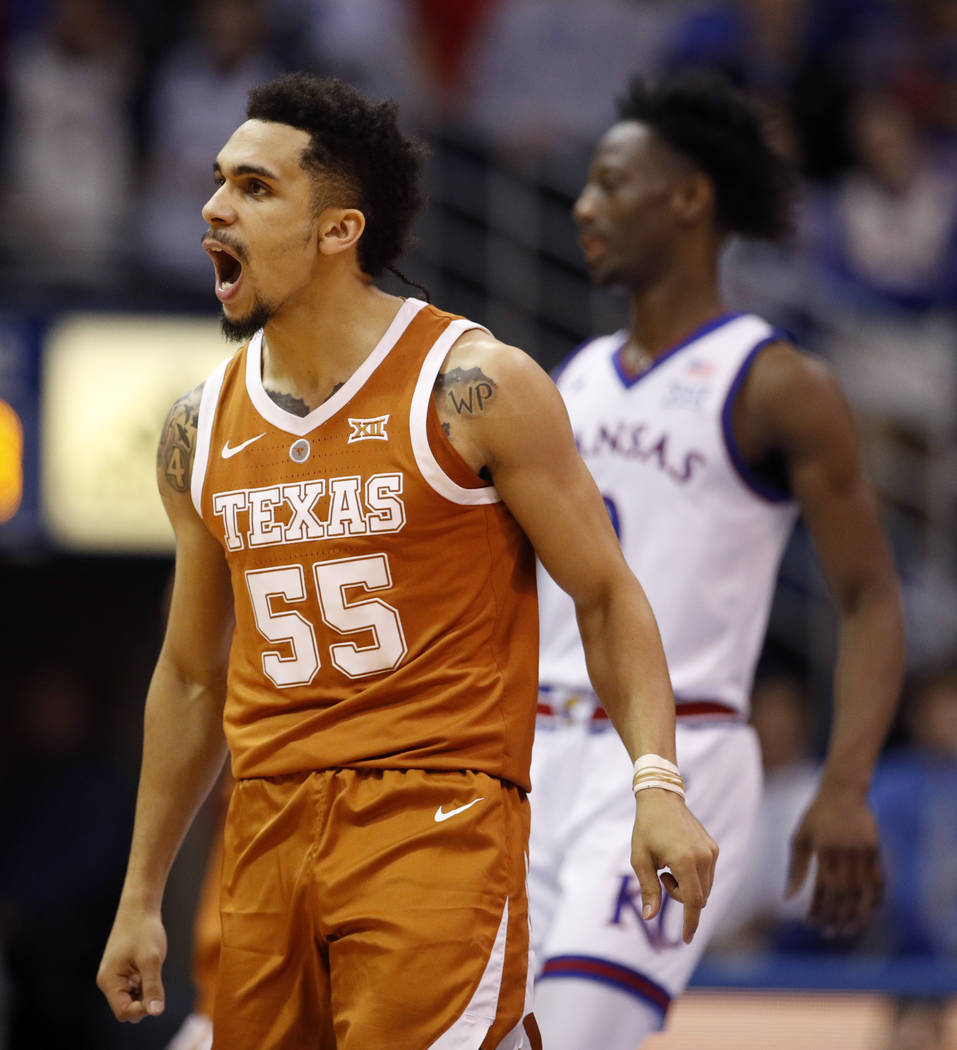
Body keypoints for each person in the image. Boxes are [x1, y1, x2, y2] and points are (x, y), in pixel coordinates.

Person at [96, 72, 719, 1050]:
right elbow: (188, 676)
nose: (215, 205)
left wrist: (658, 785)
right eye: (219, 181)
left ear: (338, 231)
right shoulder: (198, 426)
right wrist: (140, 894)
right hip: (262, 826)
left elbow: (604, 595)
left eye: (255, 188)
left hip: (433, 813)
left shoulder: (473, 385)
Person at [530, 72, 905, 1049]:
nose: (583, 205)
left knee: (572, 1037)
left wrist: (846, 782)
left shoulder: (775, 382)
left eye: (612, 183)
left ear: (689, 198)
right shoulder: (571, 379)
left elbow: (867, 597)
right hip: (532, 752)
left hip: (679, 753)